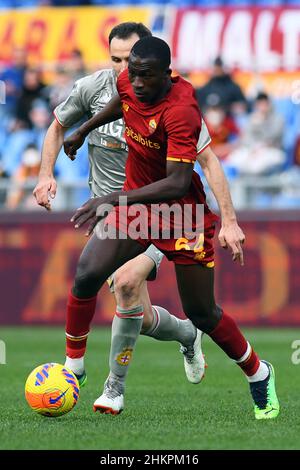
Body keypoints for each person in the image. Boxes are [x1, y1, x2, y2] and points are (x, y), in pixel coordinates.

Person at [63, 36, 280, 420]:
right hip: (137, 207)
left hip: (182, 215)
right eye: (135, 75)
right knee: (86, 274)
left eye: (147, 77)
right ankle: (74, 370)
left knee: (203, 313)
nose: (139, 83)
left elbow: (178, 182)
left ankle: (258, 373)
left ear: (168, 74)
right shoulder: (131, 80)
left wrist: (109, 200)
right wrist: (84, 127)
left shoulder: (182, 110)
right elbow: (124, 101)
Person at [33, 23, 207, 411]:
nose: (123, 68)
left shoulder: (173, 99)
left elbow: (207, 159)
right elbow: (58, 126)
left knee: (127, 284)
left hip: (162, 212)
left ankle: (112, 388)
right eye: (116, 59)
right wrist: (45, 175)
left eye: (131, 60)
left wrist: (227, 217)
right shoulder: (93, 89)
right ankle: (186, 334)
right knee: (140, 315)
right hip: (109, 213)